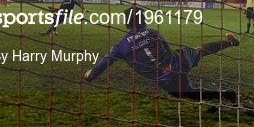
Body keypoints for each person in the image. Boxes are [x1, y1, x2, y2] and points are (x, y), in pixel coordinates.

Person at [84, 7, 240, 102]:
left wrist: (89, 75)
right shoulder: (152, 32)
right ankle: (230, 42)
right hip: (180, 60)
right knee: (200, 50)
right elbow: (166, 47)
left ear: (126, 23)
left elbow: (102, 65)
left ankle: (225, 95)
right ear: (143, 21)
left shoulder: (120, 46)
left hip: (167, 79)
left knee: (190, 93)